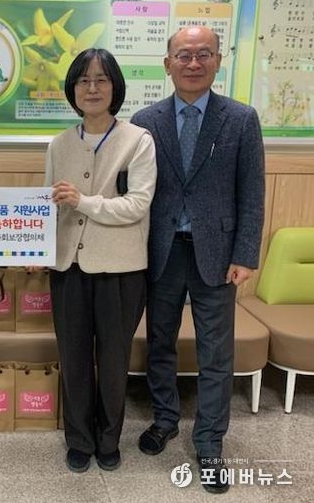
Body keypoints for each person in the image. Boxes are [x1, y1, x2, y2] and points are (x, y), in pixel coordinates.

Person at [131, 26, 265, 494]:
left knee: (216, 353)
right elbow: (133, 191)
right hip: (161, 251)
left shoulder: (241, 118)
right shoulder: (145, 120)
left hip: (218, 255)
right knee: (160, 342)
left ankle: (209, 442)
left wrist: (245, 254)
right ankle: (165, 418)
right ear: (167, 63)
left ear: (218, 61)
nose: (193, 63)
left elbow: (252, 193)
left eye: (203, 54)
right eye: (183, 55)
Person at [45, 48, 156, 472]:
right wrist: (34, 246)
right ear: (72, 89)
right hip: (67, 268)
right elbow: (49, 208)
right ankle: (79, 439)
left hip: (121, 269)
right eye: (83, 80)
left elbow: (137, 205)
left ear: (115, 87)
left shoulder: (138, 140)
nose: (92, 88)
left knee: (113, 360)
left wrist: (84, 201)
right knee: (73, 358)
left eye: (101, 79)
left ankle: (109, 439)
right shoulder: (58, 144)